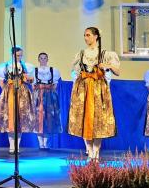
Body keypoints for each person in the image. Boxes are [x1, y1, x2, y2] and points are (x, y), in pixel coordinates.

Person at [68, 27, 120, 160]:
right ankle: (90, 152)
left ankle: (96, 153)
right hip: (84, 89)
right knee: (85, 118)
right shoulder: (81, 54)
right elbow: (74, 72)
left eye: (88, 35)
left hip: (98, 90)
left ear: (96, 36)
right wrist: (77, 85)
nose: (86, 38)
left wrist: (107, 66)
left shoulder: (105, 54)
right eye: (84, 35)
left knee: (98, 120)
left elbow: (117, 71)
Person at [0, 47, 35, 153]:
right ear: (12, 55)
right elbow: (1, 81)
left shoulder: (25, 66)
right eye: (17, 55)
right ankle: (11, 146)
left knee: (20, 119)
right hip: (10, 92)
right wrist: (6, 91)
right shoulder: (6, 66)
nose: (19, 57)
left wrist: (29, 79)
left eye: (21, 55)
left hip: (22, 93)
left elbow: (29, 80)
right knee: (10, 119)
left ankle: (17, 146)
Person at [32, 52, 62, 149]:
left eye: (45, 58)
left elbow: (55, 85)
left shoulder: (53, 71)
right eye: (41, 58)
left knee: (49, 118)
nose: (43, 60)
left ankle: (46, 143)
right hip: (38, 96)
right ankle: (40, 143)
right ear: (38, 59)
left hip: (50, 96)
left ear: (47, 59)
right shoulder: (34, 71)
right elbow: (33, 86)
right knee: (38, 118)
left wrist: (50, 93)